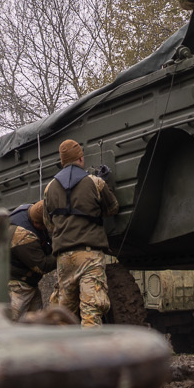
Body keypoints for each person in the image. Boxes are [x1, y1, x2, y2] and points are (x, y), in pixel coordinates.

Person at [41, 139, 120, 326]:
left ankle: (63, 345)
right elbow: (113, 208)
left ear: (62, 161)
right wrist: (105, 184)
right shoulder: (95, 182)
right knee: (91, 311)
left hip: (63, 258)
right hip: (89, 256)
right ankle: (91, 346)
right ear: (81, 159)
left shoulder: (49, 188)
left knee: (64, 314)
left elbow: (48, 224)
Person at [8, 201, 55, 320]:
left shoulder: (29, 209)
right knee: (10, 322)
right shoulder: (23, 234)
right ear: (36, 223)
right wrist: (62, 251)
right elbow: (42, 265)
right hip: (18, 287)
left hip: (29, 283)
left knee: (38, 323)